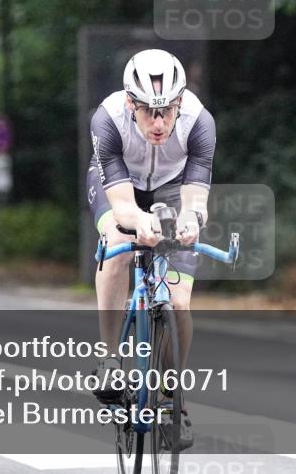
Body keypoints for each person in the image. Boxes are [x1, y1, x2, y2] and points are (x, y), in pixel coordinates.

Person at [87, 49, 215, 449]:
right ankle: (109, 359)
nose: (158, 123)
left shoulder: (200, 123)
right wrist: (136, 223)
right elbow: (123, 204)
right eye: (146, 111)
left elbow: (195, 201)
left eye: (167, 111)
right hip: (117, 185)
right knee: (118, 244)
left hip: (173, 188)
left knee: (178, 304)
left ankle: (172, 399)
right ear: (130, 103)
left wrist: (192, 221)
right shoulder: (107, 119)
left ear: (180, 102)